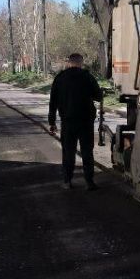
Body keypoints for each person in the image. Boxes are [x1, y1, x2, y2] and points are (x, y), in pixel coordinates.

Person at [48, 53, 103, 190]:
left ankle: (67, 181)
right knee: (87, 152)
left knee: (68, 152)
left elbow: (53, 102)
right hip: (85, 122)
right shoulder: (87, 77)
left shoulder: (60, 78)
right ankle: (89, 182)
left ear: (69, 62)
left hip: (68, 122)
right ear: (81, 62)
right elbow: (98, 96)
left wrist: (52, 121)